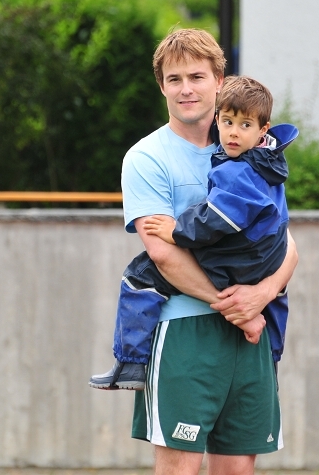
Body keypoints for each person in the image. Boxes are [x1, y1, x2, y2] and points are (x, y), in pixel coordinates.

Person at [112, 28, 297, 475]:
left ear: (219, 81)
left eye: (197, 76)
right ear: (162, 86)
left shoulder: (249, 148)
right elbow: (163, 255)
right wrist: (239, 309)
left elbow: (285, 240)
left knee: (238, 468)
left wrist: (262, 295)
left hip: (250, 327)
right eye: (174, 79)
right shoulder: (146, 157)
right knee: (181, 468)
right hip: (185, 329)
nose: (186, 89)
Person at [90, 75, 297, 390]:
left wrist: (176, 231)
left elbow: (217, 218)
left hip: (240, 259)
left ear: (262, 130)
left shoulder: (237, 170)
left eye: (244, 125)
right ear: (217, 119)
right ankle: (271, 360)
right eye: (227, 122)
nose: (233, 132)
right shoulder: (270, 164)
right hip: (268, 257)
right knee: (278, 295)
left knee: (141, 274)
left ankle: (131, 362)